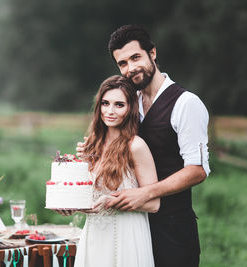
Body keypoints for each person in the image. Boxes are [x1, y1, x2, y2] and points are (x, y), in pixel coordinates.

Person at [77, 25, 210, 267]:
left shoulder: (186, 103)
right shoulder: (128, 101)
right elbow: (119, 147)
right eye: (122, 63)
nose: (130, 68)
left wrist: (145, 193)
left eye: (135, 57)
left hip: (172, 227)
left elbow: (197, 170)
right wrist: (94, 153)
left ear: (153, 53)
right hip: (132, 224)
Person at [71, 75, 160, 267]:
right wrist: (69, 204)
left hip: (126, 236)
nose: (110, 111)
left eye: (119, 105)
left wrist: (114, 201)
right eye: (105, 103)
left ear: (130, 109)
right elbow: (89, 193)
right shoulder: (91, 144)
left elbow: (153, 204)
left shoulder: (135, 146)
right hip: (94, 235)